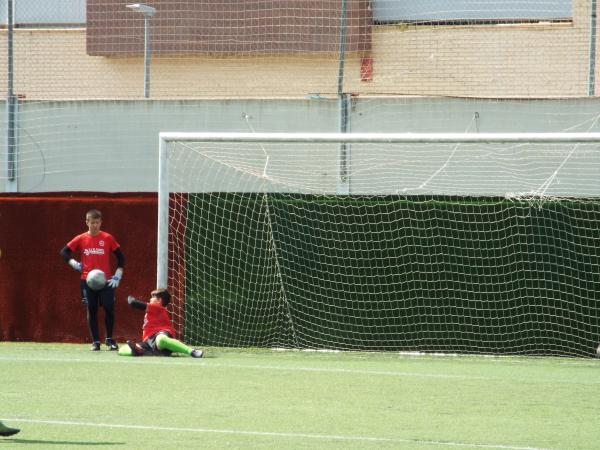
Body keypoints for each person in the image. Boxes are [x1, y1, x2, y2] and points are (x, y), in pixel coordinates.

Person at [60, 209, 125, 351]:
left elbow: (121, 257)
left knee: (109, 307)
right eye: (92, 222)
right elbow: (64, 251)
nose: (94, 225)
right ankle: (95, 341)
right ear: (86, 222)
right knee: (92, 309)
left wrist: (118, 275)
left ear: (101, 222)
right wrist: (73, 263)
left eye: (97, 222)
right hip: (87, 281)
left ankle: (109, 339)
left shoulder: (107, 238)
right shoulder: (81, 238)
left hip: (106, 281)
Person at [118, 288, 203, 358]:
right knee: (123, 349)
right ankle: (143, 352)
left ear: (159, 301)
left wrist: (127, 296)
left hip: (160, 334)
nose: (150, 299)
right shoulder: (151, 310)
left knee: (160, 340)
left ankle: (191, 351)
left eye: (153, 297)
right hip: (149, 342)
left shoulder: (158, 308)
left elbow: (133, 303)